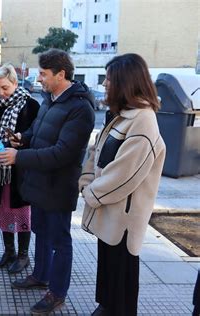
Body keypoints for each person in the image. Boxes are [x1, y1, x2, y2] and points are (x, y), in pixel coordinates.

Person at [0, 49, 95, 314]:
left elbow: (62, 153)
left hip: (59, 186)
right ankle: (40, 276)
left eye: (43, 74)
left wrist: (19, 156)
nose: (38, 78)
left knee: (60, 241)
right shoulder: (50, 98)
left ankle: (57, 292)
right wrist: (22, 138)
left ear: (61, 74)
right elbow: (37, 131)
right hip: (39, 182)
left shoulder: (80, 108)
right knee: (40, 232)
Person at [78, 53, 166, 316]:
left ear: (125, 82)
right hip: (110, 215)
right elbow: (96, 152)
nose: (105, 83)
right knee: (108, 278)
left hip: (123, 221)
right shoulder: (122, 115)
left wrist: (91, 192)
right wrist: (86, 180)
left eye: (109, 78)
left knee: (121, 284)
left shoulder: (143, 120)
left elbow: (126, 174)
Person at [0, 64, 39, 273]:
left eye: (5, 87)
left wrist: (20, 143)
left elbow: (36, 137)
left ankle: (23, 256)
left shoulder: (31, 106)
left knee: (21, 209)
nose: (1, 93)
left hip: (20, 170)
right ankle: (9, 251)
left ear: (15, 83)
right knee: (3, 208)